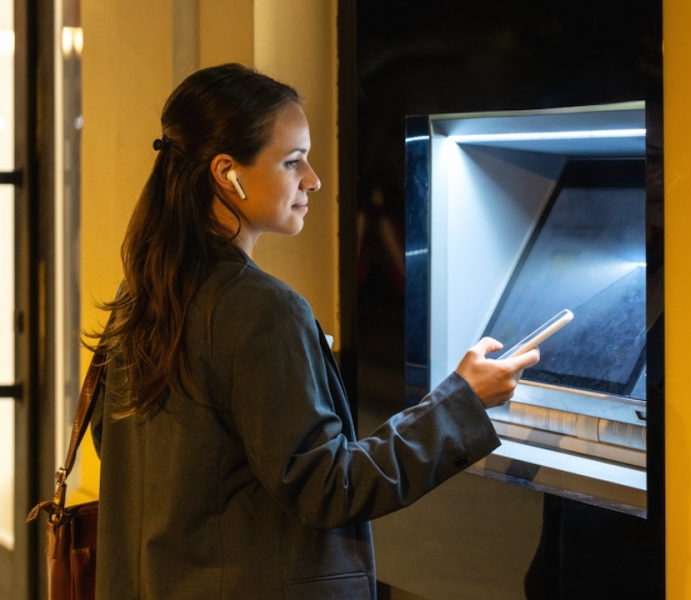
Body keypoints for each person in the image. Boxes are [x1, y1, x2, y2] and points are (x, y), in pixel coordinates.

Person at [88, 63, 539, 600]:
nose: (312, 180)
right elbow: (329, 488)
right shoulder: (260, 310)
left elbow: (137, 457)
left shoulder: (139, 295)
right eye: (292, 161)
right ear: (226, 173)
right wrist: (462, 402)